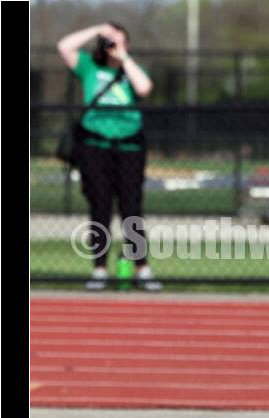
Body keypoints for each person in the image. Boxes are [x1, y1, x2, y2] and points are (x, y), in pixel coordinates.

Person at [57, 23, 162, 292]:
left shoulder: (131, 68)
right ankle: (100, 270)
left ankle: (143, 268)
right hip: (94, 146)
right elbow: (64, 46)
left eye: (120, 41)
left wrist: (123, 57)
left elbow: (145, 88)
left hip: (129, 147)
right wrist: (97, 30)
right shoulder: (89, 66)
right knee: (99, 209)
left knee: (132, 210)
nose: (113, 45)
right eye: (110, 41)